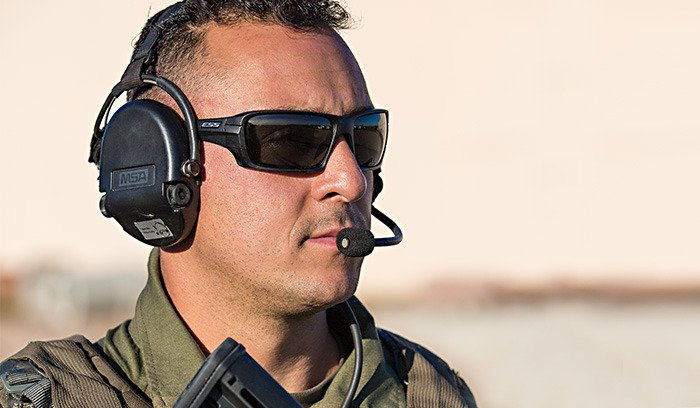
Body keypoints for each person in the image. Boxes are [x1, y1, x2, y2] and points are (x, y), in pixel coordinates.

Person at [0, 1, 477, 407]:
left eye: (364, 138)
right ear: (161, 164)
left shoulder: (432, 393)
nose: (351, 181)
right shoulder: (43, 397)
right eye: (291, 141)